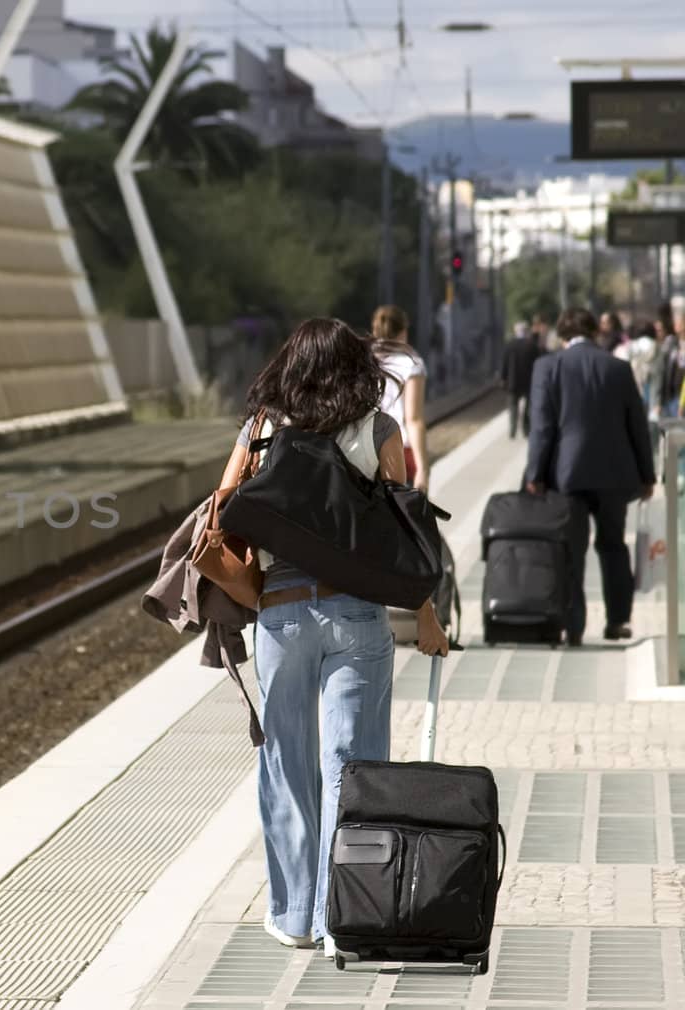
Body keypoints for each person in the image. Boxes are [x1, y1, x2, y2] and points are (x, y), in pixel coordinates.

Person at [217, 317, 449, 958]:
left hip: (282, 615)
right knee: (353, 769)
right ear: (358, 369)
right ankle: (339, 918)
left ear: (291, 365)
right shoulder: (379, 429)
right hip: (357, 617)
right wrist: (425, 614)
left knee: (287, 765)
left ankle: (293, 916)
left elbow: (224, 504)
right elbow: (405, 535)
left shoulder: (263, 426)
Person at [525, 307, 656, 646]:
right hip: (615, 475)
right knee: (613, 546)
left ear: (562, 335)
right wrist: (647, 474)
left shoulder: (548, 367)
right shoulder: (618, 367)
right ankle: (617, 621)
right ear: (594, 332)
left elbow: (542, 427)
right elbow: (638, 426)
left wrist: (535, 473)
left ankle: (574, 626)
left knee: (571, 550)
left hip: (566, 475)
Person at [368, 305, 430, 490]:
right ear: (403, 332)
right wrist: (423, 469)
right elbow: (413, 419)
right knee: (406, 514)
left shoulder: (364, 362)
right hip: (401, 452)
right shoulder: (411, 364)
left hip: (368, 451)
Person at [501, 319, 541, 439]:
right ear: (526, 331)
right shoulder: (532, 345)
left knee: (513, 406)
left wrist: (503, 378)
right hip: (529, 381)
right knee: (528, 407)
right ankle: (526, 429)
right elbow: (538, 363)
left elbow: (505, 363)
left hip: (513, 381)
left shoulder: (509, 345)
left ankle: (512, 430)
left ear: (515, 331)